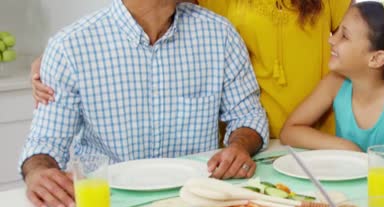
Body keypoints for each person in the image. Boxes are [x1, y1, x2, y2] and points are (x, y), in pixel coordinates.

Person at [19, 0, 269, 207]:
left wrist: (239, 146)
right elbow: (46, 142)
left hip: (197, 200)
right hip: (109, 206)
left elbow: (248, 115)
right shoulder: (69, 47)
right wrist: (38, 172)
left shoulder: (219, 34)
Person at [32, 0, 354, 138]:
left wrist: (307, 121)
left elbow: (360, 44)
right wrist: (53, 56)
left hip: (312, 133)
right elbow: (146, 16)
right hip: (245, 139)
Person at [279, 2, 384, 167]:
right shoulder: (335, 83)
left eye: (344, 36)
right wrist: (347, 147)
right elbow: (289, 131)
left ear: (376, 58)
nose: (331, 39)